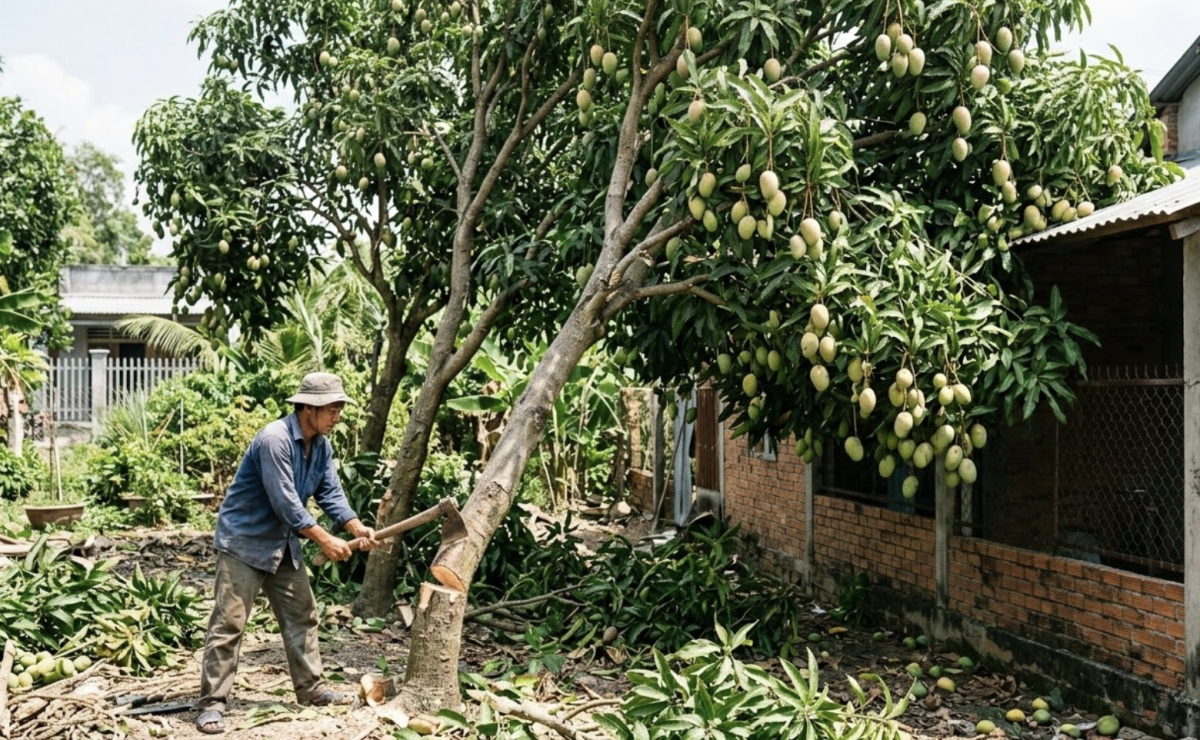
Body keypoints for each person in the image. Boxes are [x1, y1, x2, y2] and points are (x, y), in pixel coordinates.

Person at [194, 372, 379, 735]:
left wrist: (357, 527)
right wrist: (325, 539)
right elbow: (286, 503)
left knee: (302, 616)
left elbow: (331, 492)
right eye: (332, 409)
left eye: (340, 408)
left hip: (282, 544)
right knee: (229, 623)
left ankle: (311, 690)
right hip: (244, 543)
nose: (337, 416)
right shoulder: (274, 440)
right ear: (308, 408)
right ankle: (211, 704)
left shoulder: (321, 445)